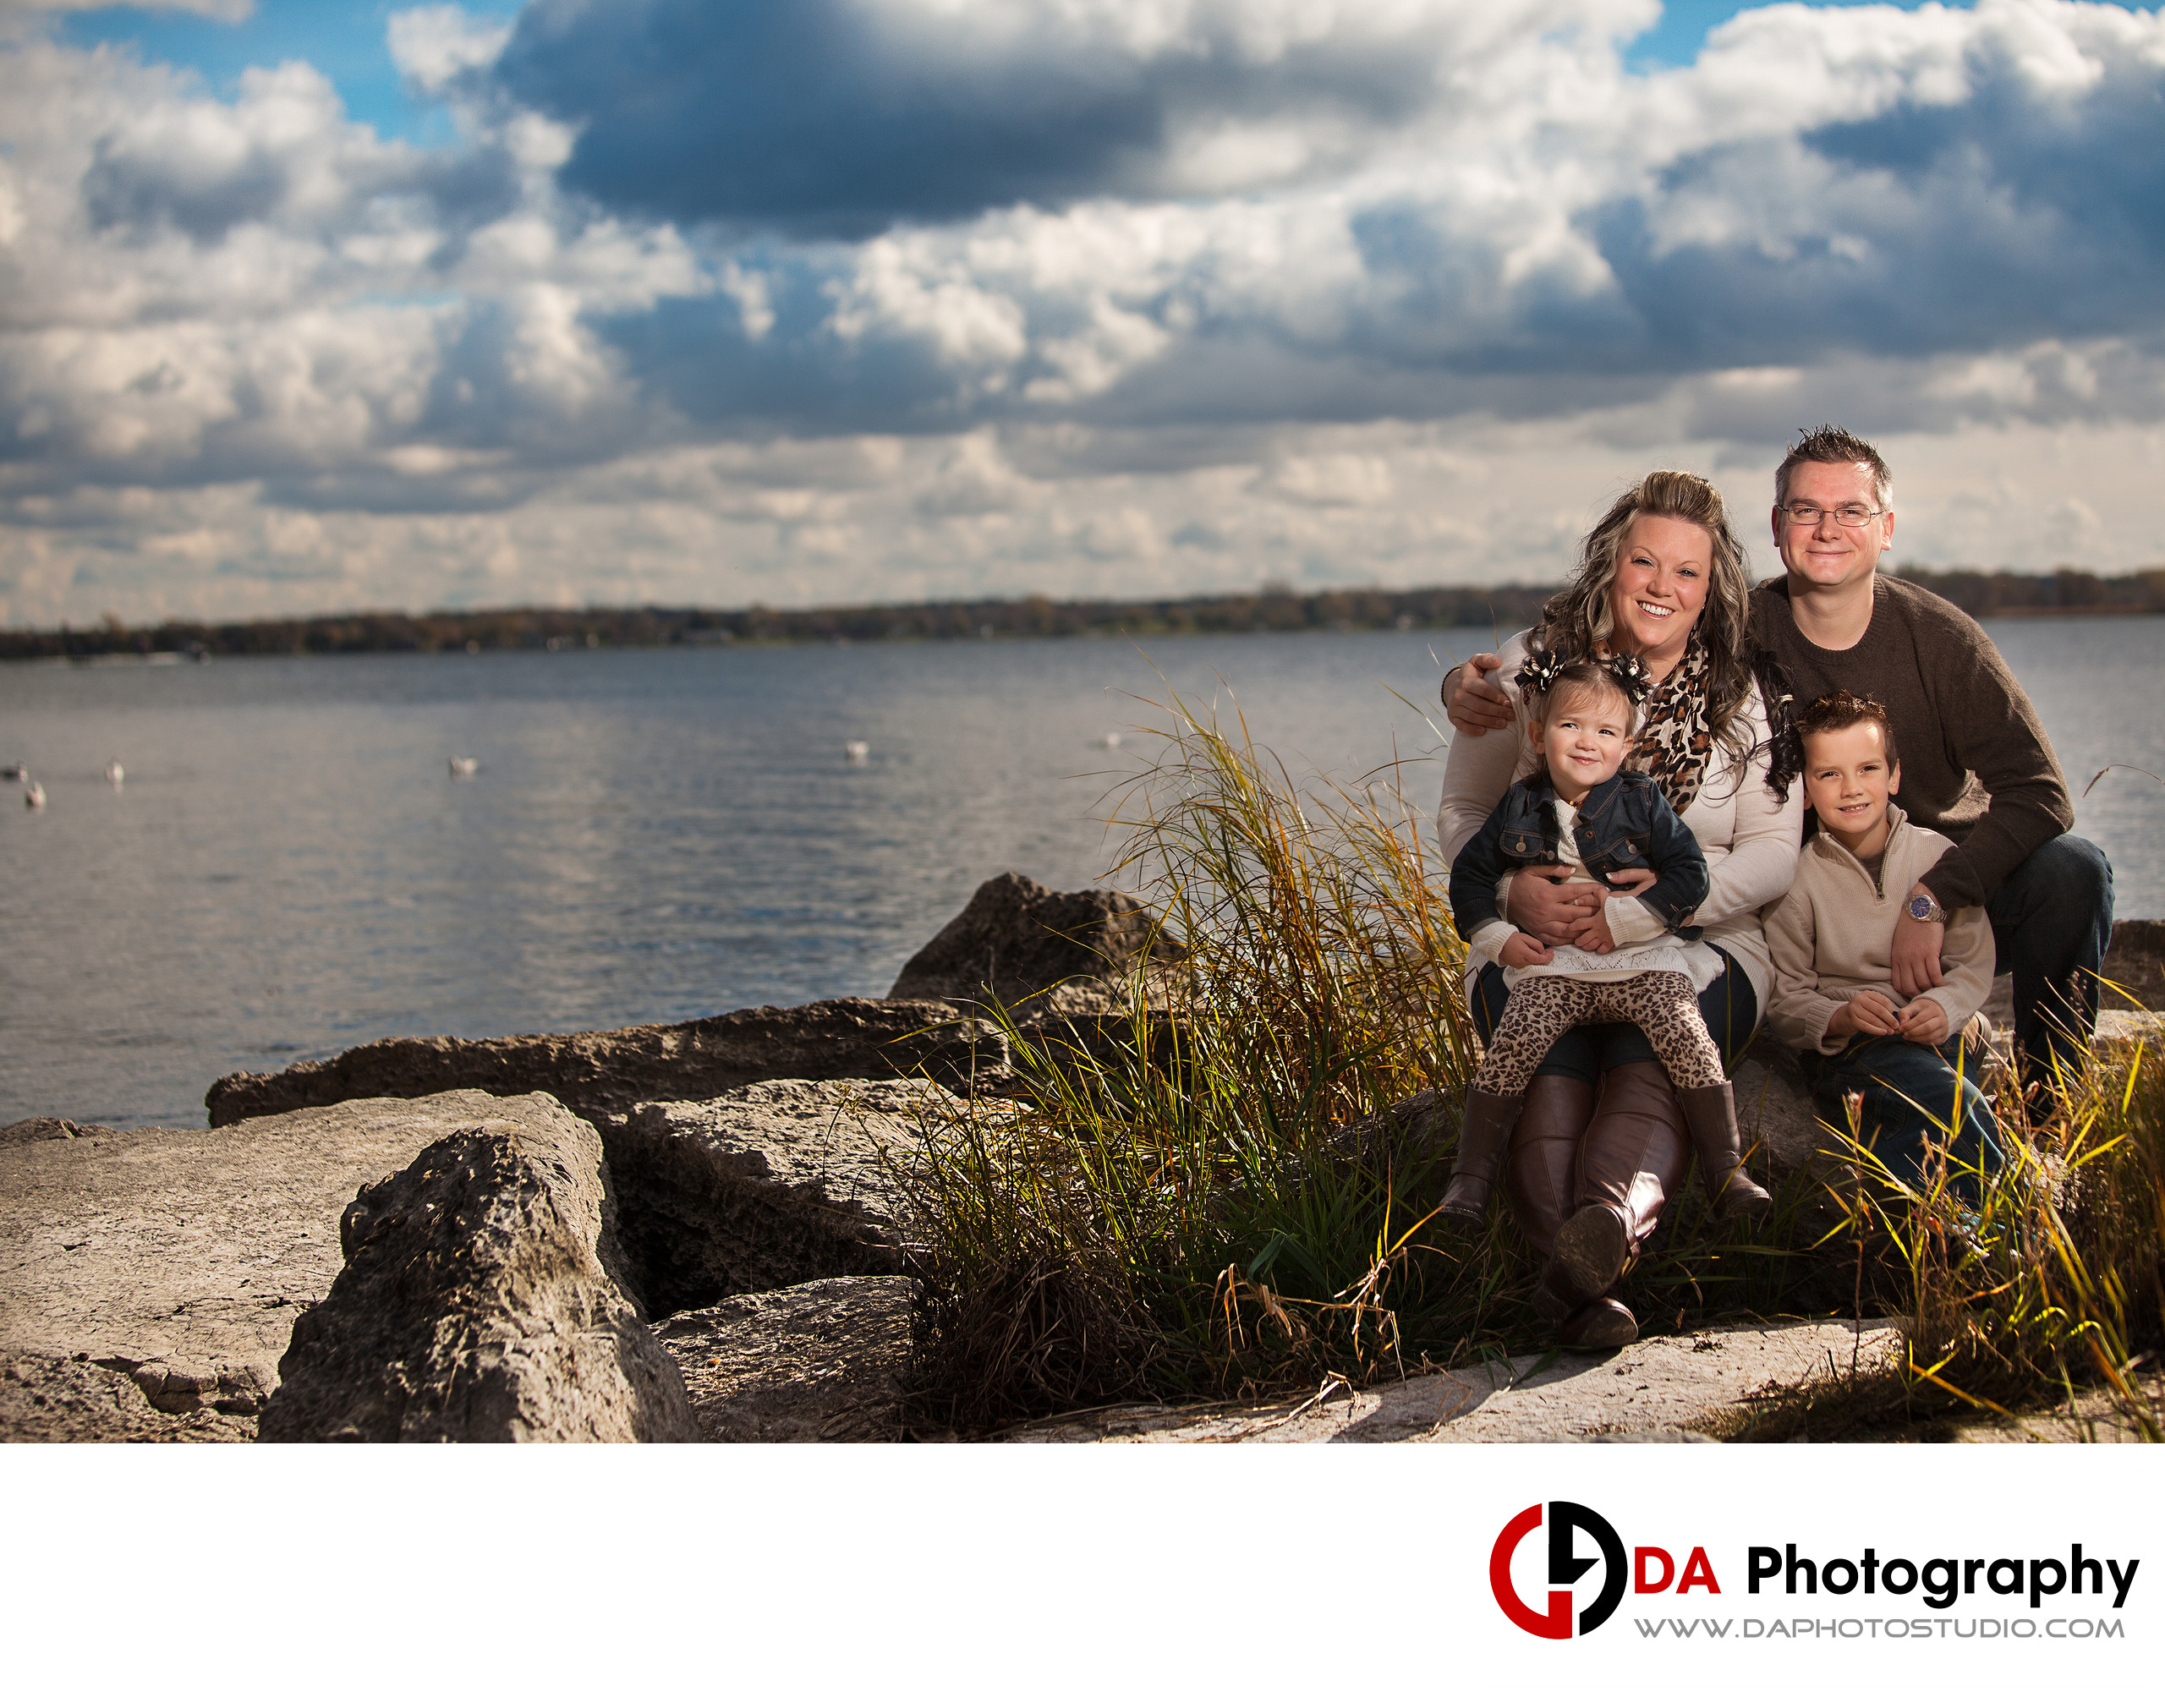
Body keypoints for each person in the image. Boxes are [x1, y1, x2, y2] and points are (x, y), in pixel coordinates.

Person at [1449, 427, 2114, 1121]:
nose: (1827, 529)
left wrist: (1935, 895)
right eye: (1805, 510)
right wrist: (1464, 687)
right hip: (1818, 908)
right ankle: (1856, 1039)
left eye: (1851, 511)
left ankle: (2050, 1105)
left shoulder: (1941, 640)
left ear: (1886, 528)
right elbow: (1601, 647)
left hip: (1943, 893)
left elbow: (2041, 793)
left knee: (2073, 872)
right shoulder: (1738, 629)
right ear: (1777, 525)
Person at [1435, 470, 1802, 1349]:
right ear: (1612, 562)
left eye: (1686, 571)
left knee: (1650, 1044)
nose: (1662, 587)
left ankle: (1590, 1242)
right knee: (1547, 1037)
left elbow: (1769, 852)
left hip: (1701, 946)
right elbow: (1464, 814)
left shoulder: (1745, 696)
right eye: (1645, 561)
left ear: (1712, 586)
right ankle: (1585, 1286)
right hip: (1542, 938)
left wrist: (1644, 916)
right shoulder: (1535, 668)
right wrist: (1511, 893)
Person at [1444, 656, 1771, 1323]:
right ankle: (1470, 1182)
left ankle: (1725, 1169)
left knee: (1685, 1032)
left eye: (1606, 733)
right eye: (1570, 725)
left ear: (1628, 743)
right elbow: (1469, 881)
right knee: (1514, 1047)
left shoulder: (1644, 800)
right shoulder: (1520, 804)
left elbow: (1689, 875)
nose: (1587, 743)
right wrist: (1499, 938)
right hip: (1556, 970)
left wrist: (1628, 918)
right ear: (1538, 735)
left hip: (1641, 962)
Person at [1763, 690, 2002, 1191]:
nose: (1851, 788)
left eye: (1868, 769)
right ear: (1806, 789)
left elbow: (1971, 960)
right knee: (1952, 1101)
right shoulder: (1796, 878)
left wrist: (1944, 1006)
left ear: (1893, 776)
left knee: (1947, 1102)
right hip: (1854, 1051)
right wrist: (1839, 1017)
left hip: (1938, 1034)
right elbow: (1785, 996)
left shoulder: (1939, 858)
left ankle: (1952, 1229)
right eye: (1829, 774)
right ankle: (1996, 1232)